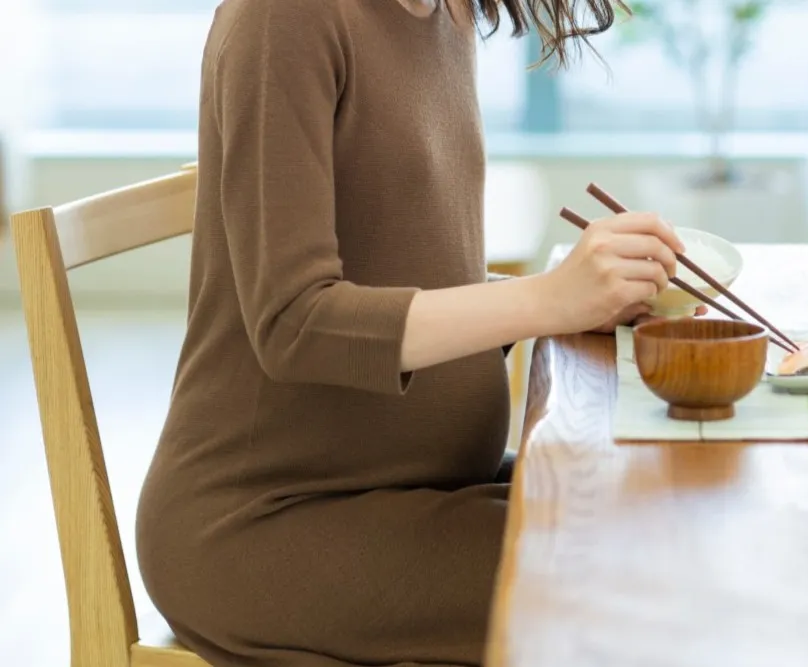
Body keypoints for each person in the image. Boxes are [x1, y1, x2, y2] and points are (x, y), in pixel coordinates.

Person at [134, 0, 690, 665]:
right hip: (265, 521)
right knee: (636, 582)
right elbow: (294, 321)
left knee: (662, 514)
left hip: (425, 486)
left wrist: (574, 303)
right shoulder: (283, 18)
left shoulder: (445, 16)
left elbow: (409, 269)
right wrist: (544, 299)